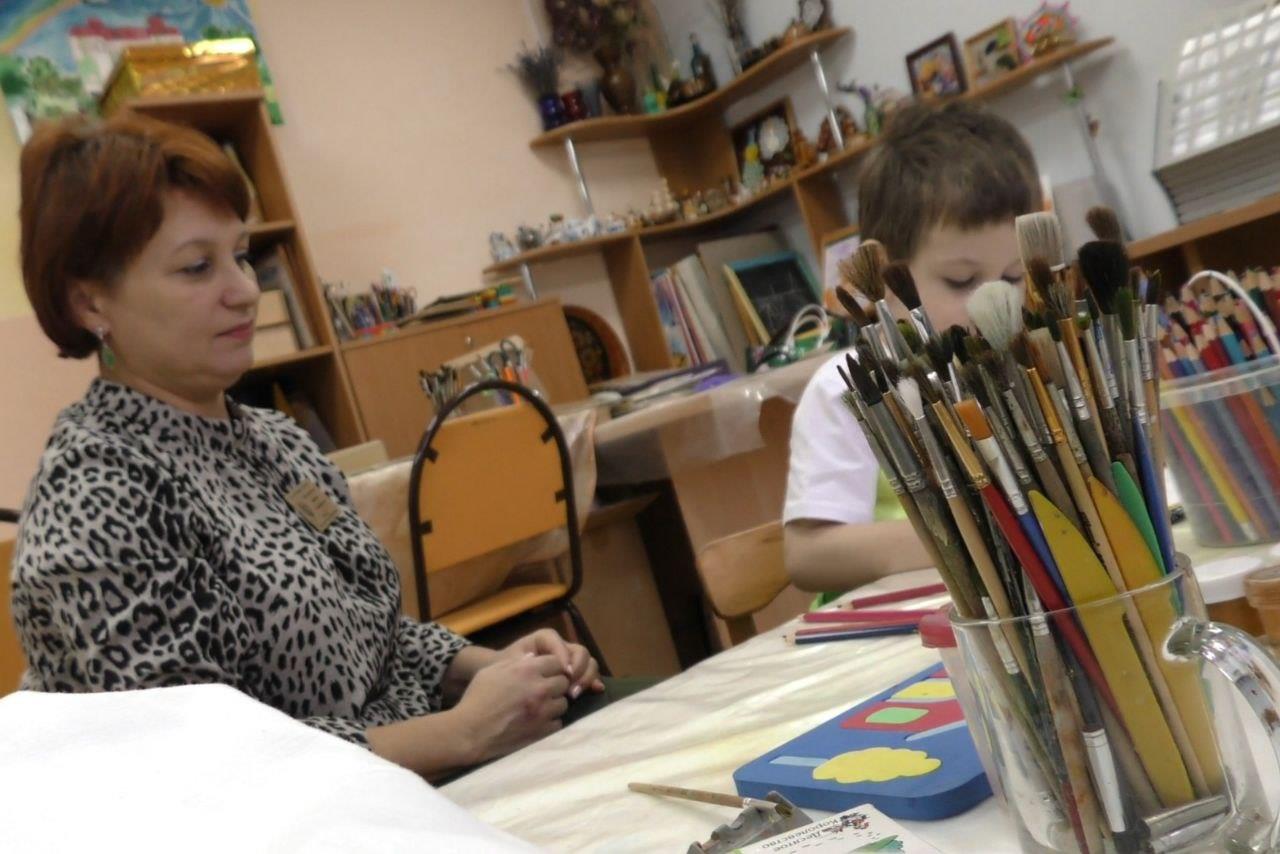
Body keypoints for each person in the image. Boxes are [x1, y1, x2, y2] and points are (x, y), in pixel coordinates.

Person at [10, 113, 602, 780]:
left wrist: (495, 668)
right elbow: (203, 765)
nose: (244, 292)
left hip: (405, 779)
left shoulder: (274, 439)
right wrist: (462, 733)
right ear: (91, 304)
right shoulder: (96, 491)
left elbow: (370, 631)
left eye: (240, 256)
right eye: (197, 267)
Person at [784, 101, 1043, 597]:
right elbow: (808, 556)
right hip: (898, 631)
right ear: (884, 274)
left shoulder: (1027, 358)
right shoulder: (844, 388)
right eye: (962, 280)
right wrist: (987, 535)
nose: (998, 301)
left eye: (1014, 276)